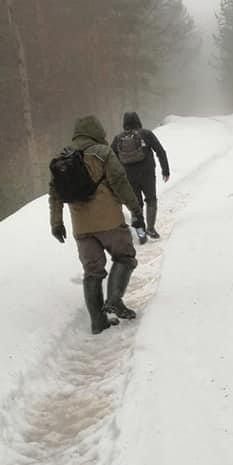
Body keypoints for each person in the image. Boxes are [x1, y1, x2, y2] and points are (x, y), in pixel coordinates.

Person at [50, 115, 145, 334]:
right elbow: (120, 181)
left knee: (92, 272)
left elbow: (54, 194)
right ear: (96, 131)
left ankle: (97, 322)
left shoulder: (62, 158)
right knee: (125, 257)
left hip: (81, 228)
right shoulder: (103, 153)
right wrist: (136, 211)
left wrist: (56, 223)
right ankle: (114, 300)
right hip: (109, 221)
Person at [111, 111, 170, 243]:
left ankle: (141, 233)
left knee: (135, 204)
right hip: (147, 173)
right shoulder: (146, 134)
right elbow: (160, 151)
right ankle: (150, 228)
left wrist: (115, 177)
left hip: (129, 177)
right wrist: (165, 170)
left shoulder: (118, 138)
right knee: (151, 199)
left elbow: (111, 158)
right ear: (138, 120)